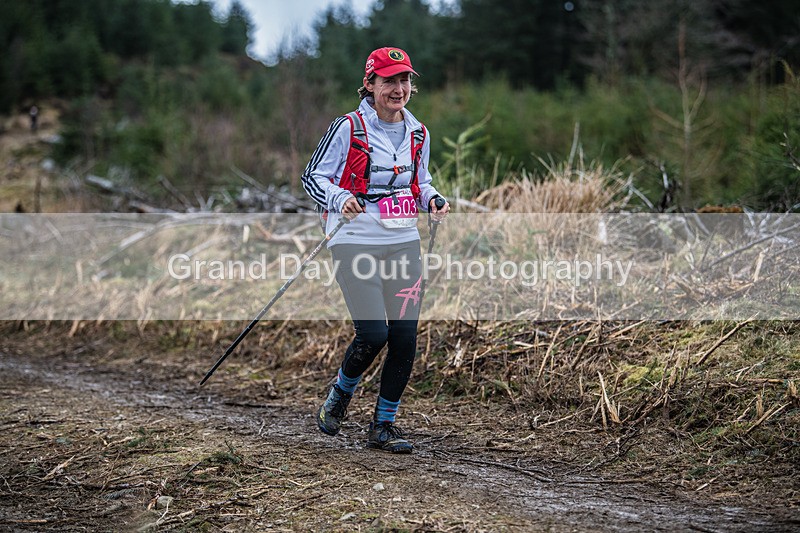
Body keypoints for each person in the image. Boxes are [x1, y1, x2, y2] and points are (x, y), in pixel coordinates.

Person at [301, 47, 449, 453]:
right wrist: (338, 198)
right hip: (354, 240)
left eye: (404, 80)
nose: (399, 88)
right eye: (389, 81)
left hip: (403, 240)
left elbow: (419, 184)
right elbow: (312, 176)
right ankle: (340, 395)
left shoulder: (419, 133)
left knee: (404, 336)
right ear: (370, 85)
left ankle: (383, 426)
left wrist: (434, 200)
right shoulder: (347, 127)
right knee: (373, 333)